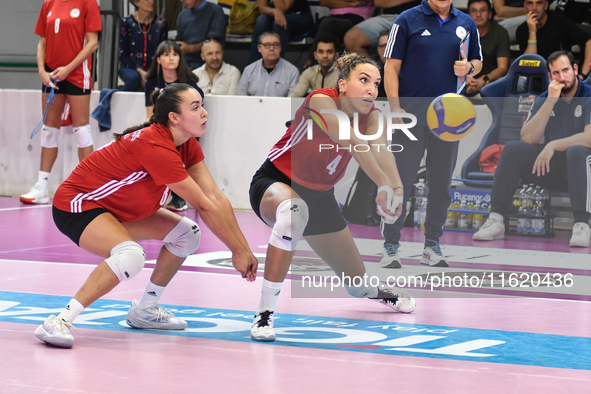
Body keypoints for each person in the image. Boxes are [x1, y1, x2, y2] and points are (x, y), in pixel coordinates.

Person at [34, 83, 259, 349]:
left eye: (202, 105)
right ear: (174, 117)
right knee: (130, 255)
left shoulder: (186, 144)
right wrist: (237, 250)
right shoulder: (156, 146)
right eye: (195, 107)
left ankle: (146, 310)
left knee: (187, 234)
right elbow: (204, 205)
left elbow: (216, 198)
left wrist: (243, 248)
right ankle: (59, 320)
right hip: (78, 206)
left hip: (115, 208)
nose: (204, 113)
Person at [248, 53, 416, 342]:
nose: (371, 89)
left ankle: (374, 291)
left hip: (321, 198)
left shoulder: (373, 116)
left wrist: (395, 189)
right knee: (293, 213)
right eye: (363, 80)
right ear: (342, 84)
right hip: (276, 182)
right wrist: (382, 185)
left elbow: (382, 150)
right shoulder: (320, 100)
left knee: (356, 285)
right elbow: (350, 140)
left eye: (376, 84)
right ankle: (264, 313)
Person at [381, 0, 483, 268]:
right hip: (410, 115)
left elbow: (477, 60)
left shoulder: (466, 22)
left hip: (449, 118)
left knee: (441, 184)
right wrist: (395, 108)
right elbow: (391, 67)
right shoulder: (406, 19)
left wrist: (469, 68)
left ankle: (432, 245)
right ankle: (390, 245)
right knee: (399, 181)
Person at [473, 51, 591, 247]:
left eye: (566, 70)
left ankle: (582, 224)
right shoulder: (546, 97)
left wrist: (552, 145)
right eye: (555, 73)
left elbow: (589, 138)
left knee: (576, 151)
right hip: (552, 167)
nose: (562, 78)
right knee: (513, 149)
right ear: (550, 76)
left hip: (582, 168)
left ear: (575, 69)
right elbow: (528, 137)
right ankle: (496, 219)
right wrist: (550, 102)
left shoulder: (588, 94)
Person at [20, 0, 101, 205]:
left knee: (82, 130)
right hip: (52, 75)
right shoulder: (49, 3)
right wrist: (42, 71)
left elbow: (93, 43)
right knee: (49, 129)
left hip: (77, 73)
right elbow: (42, 42)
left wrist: (68, 68)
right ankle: (42, 187)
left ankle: (88, 189)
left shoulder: (87, 3)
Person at [145, 40, 200, 211]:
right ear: (159, 59)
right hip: (161, 131)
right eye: (166, 54)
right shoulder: (152, 82)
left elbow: (194, 117)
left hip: (185, 132)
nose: (171, 58)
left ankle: (179, 197)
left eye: (175, 54)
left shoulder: (190, 84)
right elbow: (150, 115)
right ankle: (152, 196)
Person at [516, 0, 591, 78]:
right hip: (537, 77)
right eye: (530, 3)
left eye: (539, 3)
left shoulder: (559, 22)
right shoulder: (522, 30)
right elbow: (528, 64)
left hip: (563, 74)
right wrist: (532, 32)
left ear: (546, 6)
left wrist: (583, 74)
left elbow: (589, 41)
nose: (534, 8)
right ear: (525, 6)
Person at [118, 0, 168, 92]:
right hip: (130, 66)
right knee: (133, 79)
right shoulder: (126, 23)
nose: (151, 2)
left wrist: (151, 71)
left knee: (162, 79)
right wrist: (139, 70)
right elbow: (123, 54)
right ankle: (120, 104)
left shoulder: (161, 23)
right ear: (136, 3)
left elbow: (162, 51)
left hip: (154, 66)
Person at [344, 0, 421, 58]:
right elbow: (380, 2)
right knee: (353, 38)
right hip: (389, 16)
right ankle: (371, 76)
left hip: (421, 15)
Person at [247, 0, 314, 64]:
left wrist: (277, 11)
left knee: (279, 24)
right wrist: (274, 11)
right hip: (275, 17)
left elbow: (282, 9)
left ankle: (275, 66)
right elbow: (262, 8)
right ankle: (253, 67)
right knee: (261, 20)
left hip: (299, 17)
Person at [465, 0, 510, 95]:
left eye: (483, 10)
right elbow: (453, 61)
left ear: (490, 14)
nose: (478, 14)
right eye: (474, 11)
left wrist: (484, 79)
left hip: (491, 81)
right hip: (466, 78)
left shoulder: (500, 33)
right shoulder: (461, 32)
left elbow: (502, 68)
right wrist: (465, 78)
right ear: (468, 15)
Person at [237, 32, 300, 97]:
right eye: (267, 45)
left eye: (275, 45)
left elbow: (293, 103)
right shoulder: (249, 70)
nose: (272, 48)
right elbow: (239, 99)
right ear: (259, 48)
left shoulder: (292, 72)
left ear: (280, 48)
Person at [176, 0, 227, 69]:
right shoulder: (182, 15)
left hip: (207, 65)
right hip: (184, 65)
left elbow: (213, 42)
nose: (181, 0)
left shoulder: (215, 11)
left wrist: (190, 48)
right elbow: (179, 42)